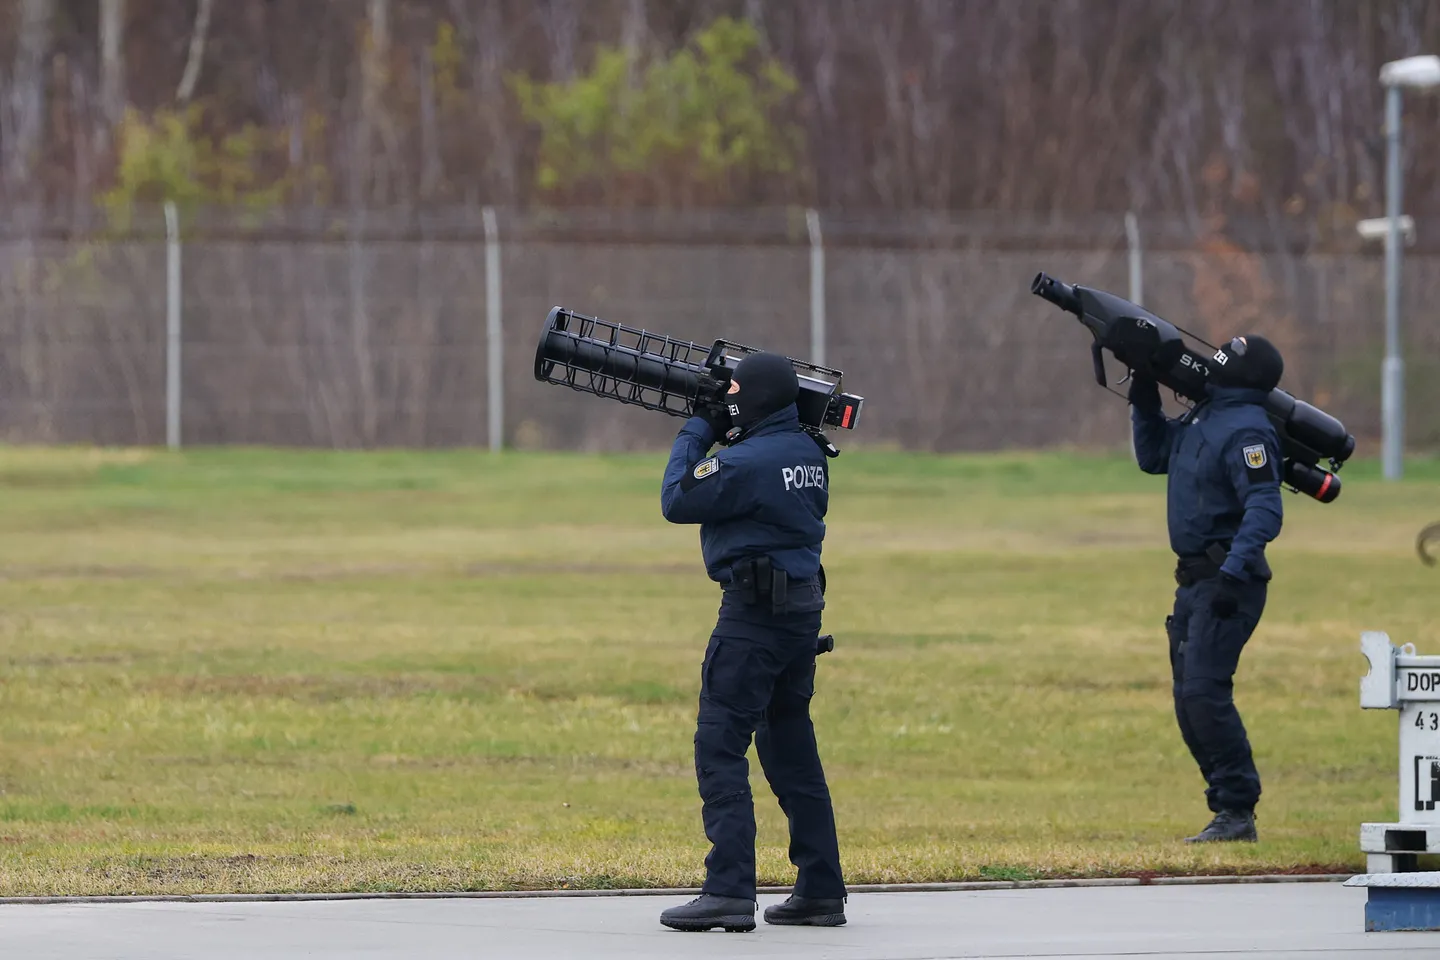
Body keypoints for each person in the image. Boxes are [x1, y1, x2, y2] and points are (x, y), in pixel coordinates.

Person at [656, 351, 847, 932]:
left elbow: (677, 499)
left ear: (757, 398)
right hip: (799, 617)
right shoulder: (808, 453)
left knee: (720, 745)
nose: (729, 395)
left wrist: (699, 427)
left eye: (735, 388)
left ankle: (729, 891)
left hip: (752, 619)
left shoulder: (746, 462)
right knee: (791, 749)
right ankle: (820, 890)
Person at [1128, 335, 1285, 844]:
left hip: (1227, 583)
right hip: (1193, 582)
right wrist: (1144, 388)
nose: (1213, 367)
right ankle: (1227, 809)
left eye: (1225, 363)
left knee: (1204, 693)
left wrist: (1234, 573)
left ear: (1244, 377)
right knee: (1188, 699)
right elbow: (1154, 456)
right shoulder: (1204, 418)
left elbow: (1265, 508)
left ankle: (1237, 812)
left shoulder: (1247, 430)